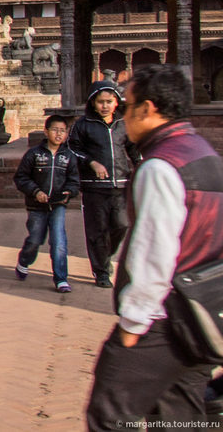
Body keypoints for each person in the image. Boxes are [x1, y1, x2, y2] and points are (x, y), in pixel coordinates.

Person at [86, 65, 223, 429]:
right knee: (178, 416)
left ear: (147, 109)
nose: (122, 114)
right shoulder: (203, 152)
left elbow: (155, 251)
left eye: (127, 106)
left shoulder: (161, 165)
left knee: (110, 414)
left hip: (164, 316)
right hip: (205, 311)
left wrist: (134, 321)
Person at [69, 79, 134, 288]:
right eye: (100, 102)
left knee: (121, 225)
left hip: (121, 183)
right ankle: (101, 272)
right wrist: (91, 162)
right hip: (94, 186)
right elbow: (72, 149)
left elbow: (134, 149)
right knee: (97, 230)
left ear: (116, 103)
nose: (105, 106)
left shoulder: (124, 124)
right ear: (93, 103)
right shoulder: (83, 125)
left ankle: (106, 256)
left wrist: (142, 165)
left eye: (109, 101)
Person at [12, 114, 82, 293]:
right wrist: (36, 192)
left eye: (62, 131)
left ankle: (61, 278)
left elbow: (74, 181)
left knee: (59, 241)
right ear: (46, 131)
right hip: (37, 206)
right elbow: (21, 177)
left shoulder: (68, 156)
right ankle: (24, 260)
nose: (59, 134)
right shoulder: (34, 154)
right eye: (55, 130)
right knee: (35, 239)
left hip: (58, 205)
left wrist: (69, 192)